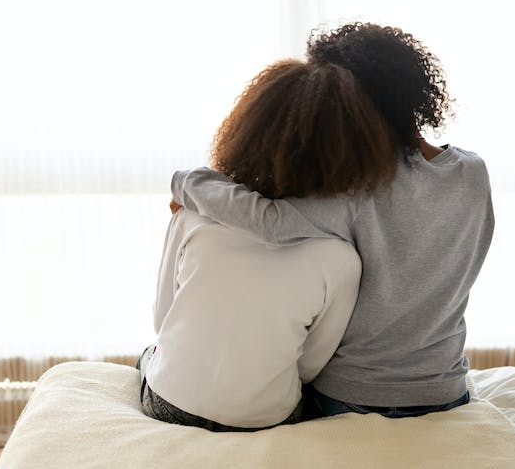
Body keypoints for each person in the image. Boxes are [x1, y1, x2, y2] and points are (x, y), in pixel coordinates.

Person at [170, 22, 495, 418]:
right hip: (447, 390)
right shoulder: (473, 172)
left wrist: (186, 182)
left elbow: (270, 221)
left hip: (354, 396)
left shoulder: (360, 188)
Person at [137, 58, 400, 431]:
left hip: (170, 403)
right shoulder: (341, 259)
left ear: (249, 131)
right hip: (264, 418)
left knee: (148, 356)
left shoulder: (191, 216)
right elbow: (310, 365)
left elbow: (163, 319)